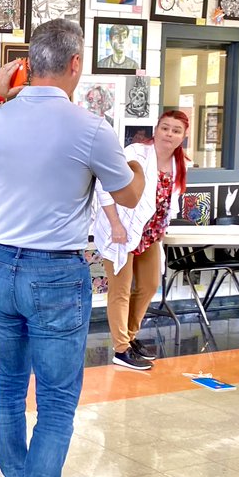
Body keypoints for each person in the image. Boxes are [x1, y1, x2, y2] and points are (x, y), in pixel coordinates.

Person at [0, 19, 145, 477]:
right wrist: (139, 167)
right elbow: (127, 197)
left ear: (27, 63)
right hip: (55, 273)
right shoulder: (90, 128)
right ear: (76, 64)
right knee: (55, 402)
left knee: (8, 388)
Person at [94, 110, 188, 371]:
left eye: (176, 130)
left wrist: (164, 226)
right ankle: (121, 349)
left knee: (148, 285)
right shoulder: (135, 152)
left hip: (150, 233)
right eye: (165, 128)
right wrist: (115, 224)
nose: (169, 134)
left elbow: (170, 200)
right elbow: (105, 184)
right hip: (122, 230)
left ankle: (130, 336)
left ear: (183, 136)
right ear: (156, 130)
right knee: (120, 290)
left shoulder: (180, 163)